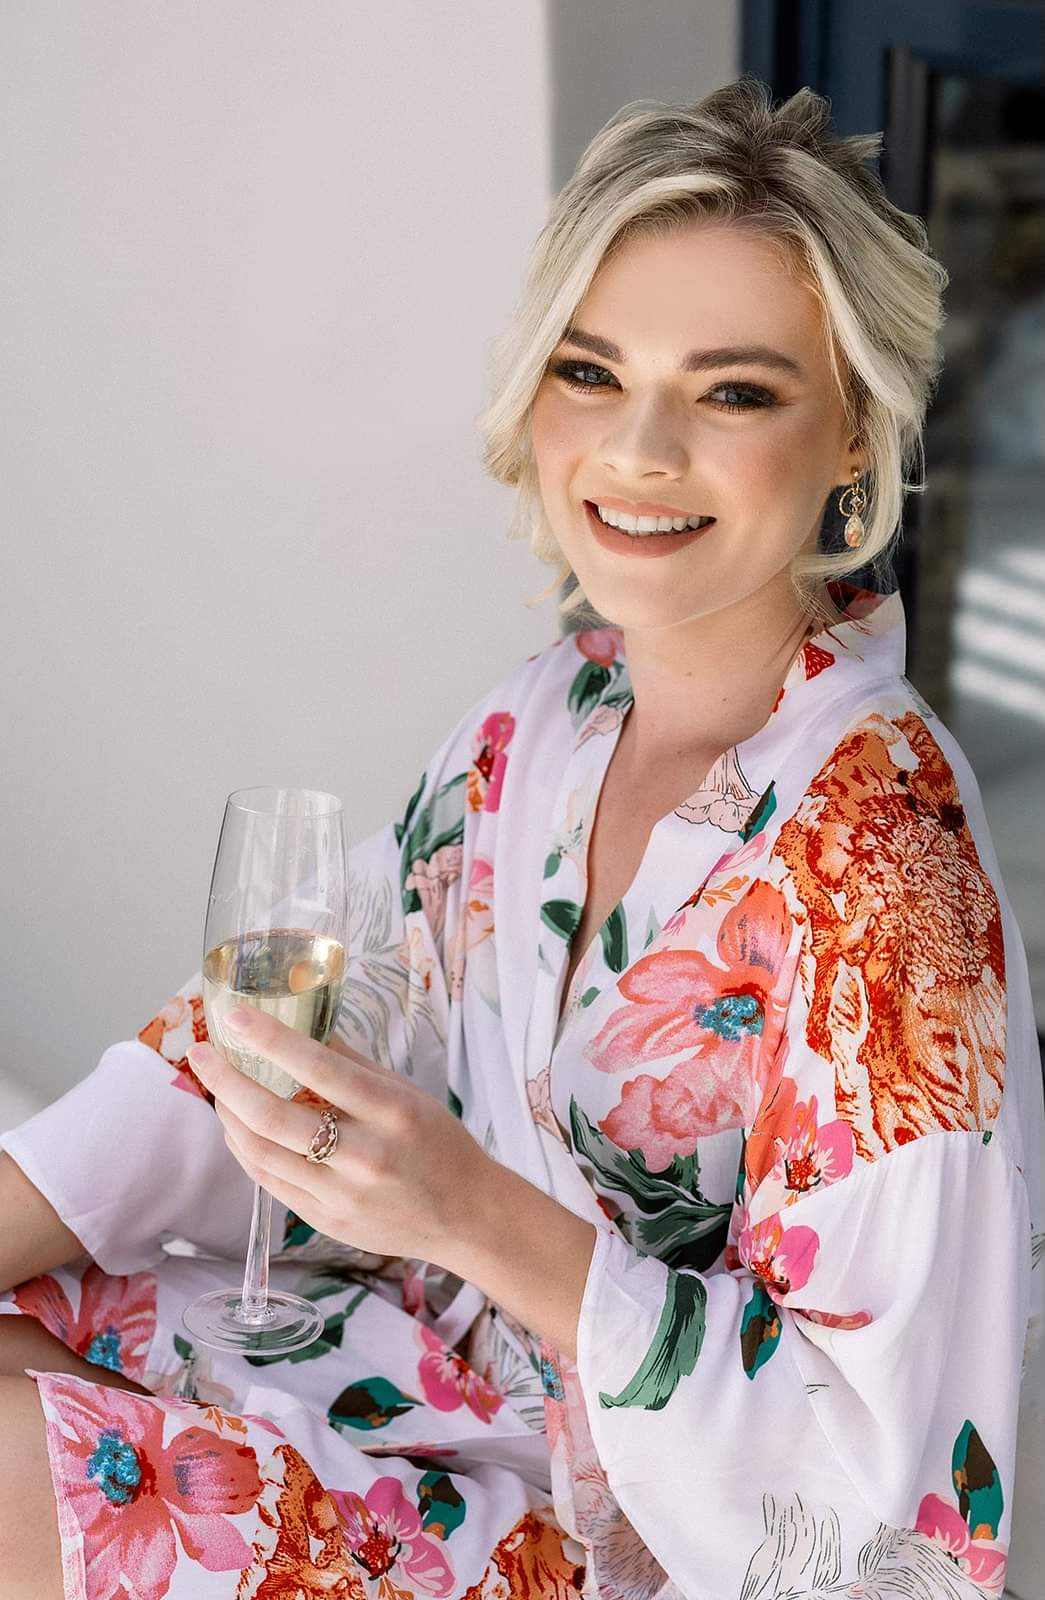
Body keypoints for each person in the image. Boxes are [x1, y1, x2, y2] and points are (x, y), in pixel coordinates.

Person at [1, 73, 1041, 1600]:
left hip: (631, 1537)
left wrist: (475, 1216)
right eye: (590, 372)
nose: (637, 450)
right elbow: (276, 1041)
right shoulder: (544, 721)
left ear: (852, 439)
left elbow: (894, 1541)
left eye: (735, 391)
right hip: (429, 1381)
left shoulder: (886, 881)